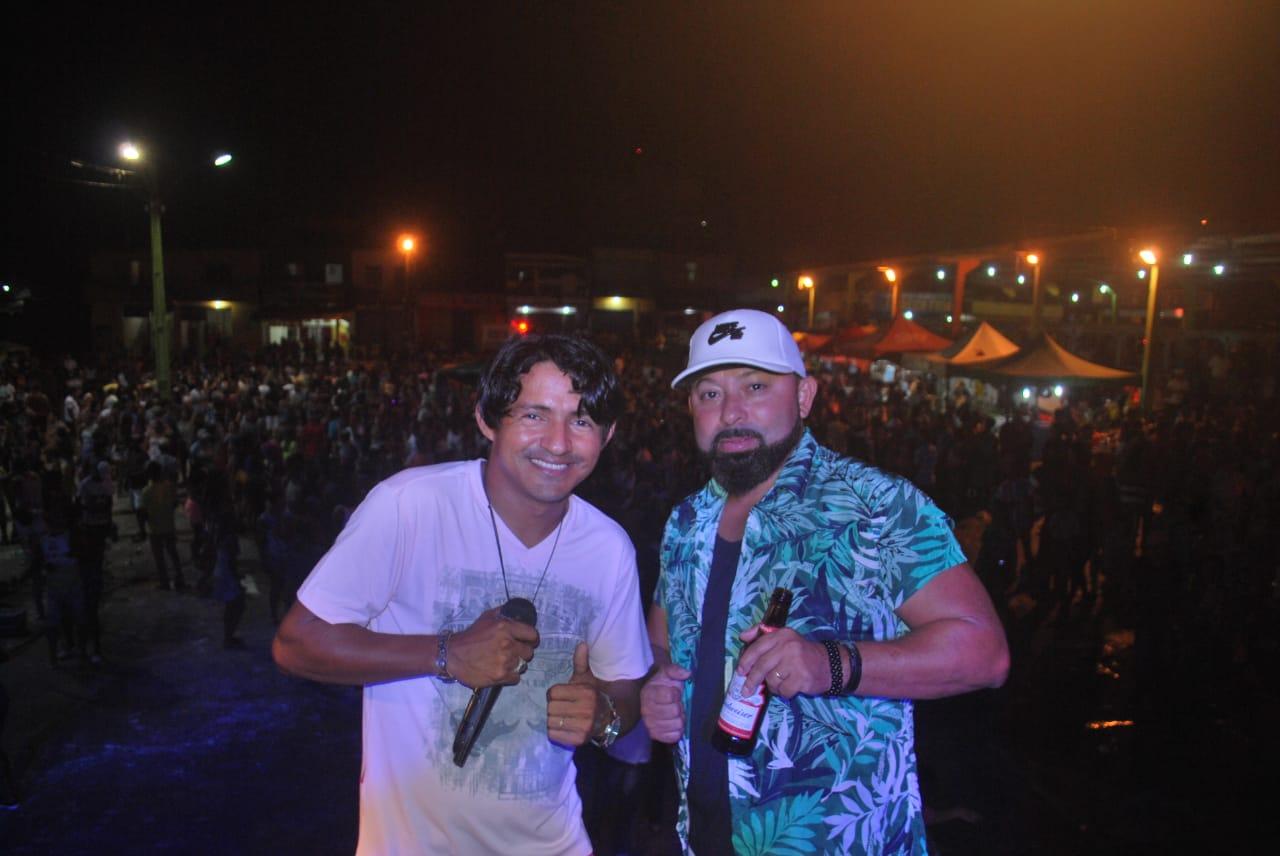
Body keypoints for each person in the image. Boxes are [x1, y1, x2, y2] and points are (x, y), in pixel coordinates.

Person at [640, 309, 1009, 855]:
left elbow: (985, 652)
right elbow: (661, 643)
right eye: (708, 393)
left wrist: (829, 665)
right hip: (702, 836)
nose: (731, 411)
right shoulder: (686, 521)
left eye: (756, 386)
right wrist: (655, 685)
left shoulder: (880, 507)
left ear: (805, 396)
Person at [272, 334, 652, 855]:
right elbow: (296, 644)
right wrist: (446, 654)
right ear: (487, 420)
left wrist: (603, 715)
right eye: (534, 415)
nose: (559, 443)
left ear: (606, 436)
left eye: (581, 420)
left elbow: (624, 691)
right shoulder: (409, 506)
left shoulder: (608, 549)